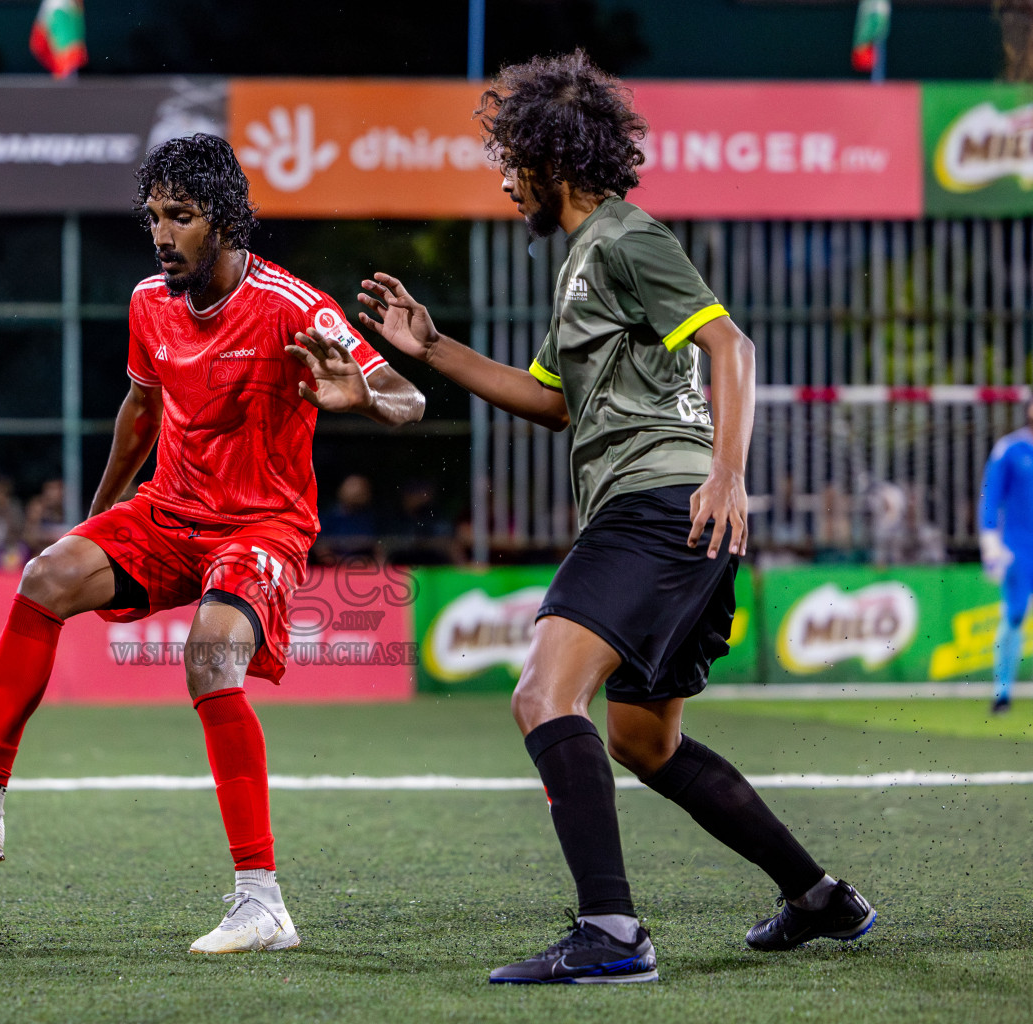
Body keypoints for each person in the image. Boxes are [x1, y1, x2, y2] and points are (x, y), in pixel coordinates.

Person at [355, 52, 874, 984]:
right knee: (643, 740)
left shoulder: (628, 239)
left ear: (552, 159)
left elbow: (732, 346)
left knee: (541, 696)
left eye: (511, 156)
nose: (503, 175)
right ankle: (817, 897)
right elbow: (553, 399)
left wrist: (727, 474)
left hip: (659, 506)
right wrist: (430, 347)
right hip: (673, 517)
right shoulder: (584, 264)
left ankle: (612, 933)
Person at [0, 133, 425, 954]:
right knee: (43, 578)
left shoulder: (291, 305)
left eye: (183, 216)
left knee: (209, 657)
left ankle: (262, 901)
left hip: (260, 525)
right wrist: (95, 525)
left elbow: (407, 397)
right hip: (171, 511)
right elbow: (140, 413)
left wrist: (366, 399)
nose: (164, 234)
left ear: (227, 220)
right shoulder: (149, 302)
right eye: (154, 217)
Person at [979, 400, 1033, 713]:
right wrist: (990, 544)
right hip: (1019, 548)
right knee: (1014, 616)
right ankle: (1002, 692)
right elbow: (991, 497)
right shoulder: (1010, 450)